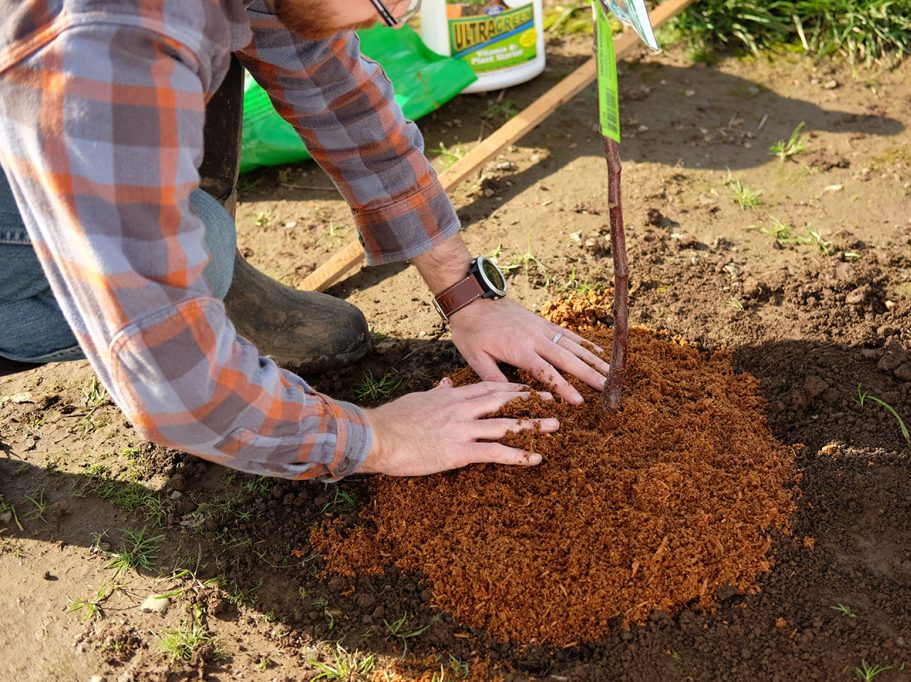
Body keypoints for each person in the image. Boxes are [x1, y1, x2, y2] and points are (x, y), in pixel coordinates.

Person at [0, 0, 608, 480]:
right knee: (201, 250)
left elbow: (336, 94)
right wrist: (379, 439)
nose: (393, 18)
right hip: (61, 99)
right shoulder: (111, 44)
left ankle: (210, 292)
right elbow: (171, 385)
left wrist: (465, 292)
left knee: (236, 44)